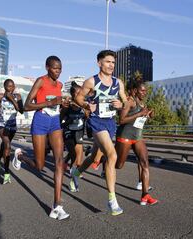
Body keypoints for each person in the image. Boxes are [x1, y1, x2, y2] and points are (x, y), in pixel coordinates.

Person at [12, 56, 70, 220]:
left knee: (59, 161)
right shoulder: (40, 81)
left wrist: (62, 106)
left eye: (60, 69)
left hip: (55, 123)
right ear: (47, 67)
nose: (58, 72)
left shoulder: (59, 85)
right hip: (40, 122)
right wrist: (49, 104)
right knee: (39, 165)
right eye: (54, 68)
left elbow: (57, 104)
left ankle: (57, 206)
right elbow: (27, 106)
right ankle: (20, 156)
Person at [71, 50, 127, 216]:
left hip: (110, 123)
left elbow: (125, 101)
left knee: (95, 157)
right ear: (99, 63)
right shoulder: (91, 81)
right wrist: (87, 106)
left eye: (113, 62)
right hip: (96, 122)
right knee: (112, 155)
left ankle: (76, 173)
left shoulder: (118, 83)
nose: (111, 65)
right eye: (108, 62)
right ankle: (112, 200)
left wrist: (121, 105)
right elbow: (78, 98)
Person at [115, 80, 158, 205]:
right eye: (142, 90)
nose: (145, 93)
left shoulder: (142, 103)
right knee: (118, 165)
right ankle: (105, 159)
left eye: (146, 90)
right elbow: (121, 120)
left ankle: (145, 195)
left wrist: (149, 114)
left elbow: (141, 118)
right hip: (125, 136)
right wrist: (140, 113)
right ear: (134, 90)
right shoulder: (129, 101)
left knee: (144, 162)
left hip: (137, 137)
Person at [0, 79, 24, 184]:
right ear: (5, 87)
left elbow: (21, 111)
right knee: (7, 146)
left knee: (4, 145)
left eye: (13, 86)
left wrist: (13, 101)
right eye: (9, 86)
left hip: (12, 126)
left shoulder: (18, 97)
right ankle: (7, 173)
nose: (11, 88)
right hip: (2, 125)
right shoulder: (0, 96)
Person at [60, 82, 86, 192]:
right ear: (74, 95)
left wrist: (87, 115)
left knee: (79, 161)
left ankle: (67, 165)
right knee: (74, 155)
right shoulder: (67, 107)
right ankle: (73, 181)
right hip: (68, 133)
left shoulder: (84, 106)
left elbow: (87, 119)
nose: (82, 95)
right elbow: (59, 123)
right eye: (79, 93)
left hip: (79, 133)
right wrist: (69, 121)